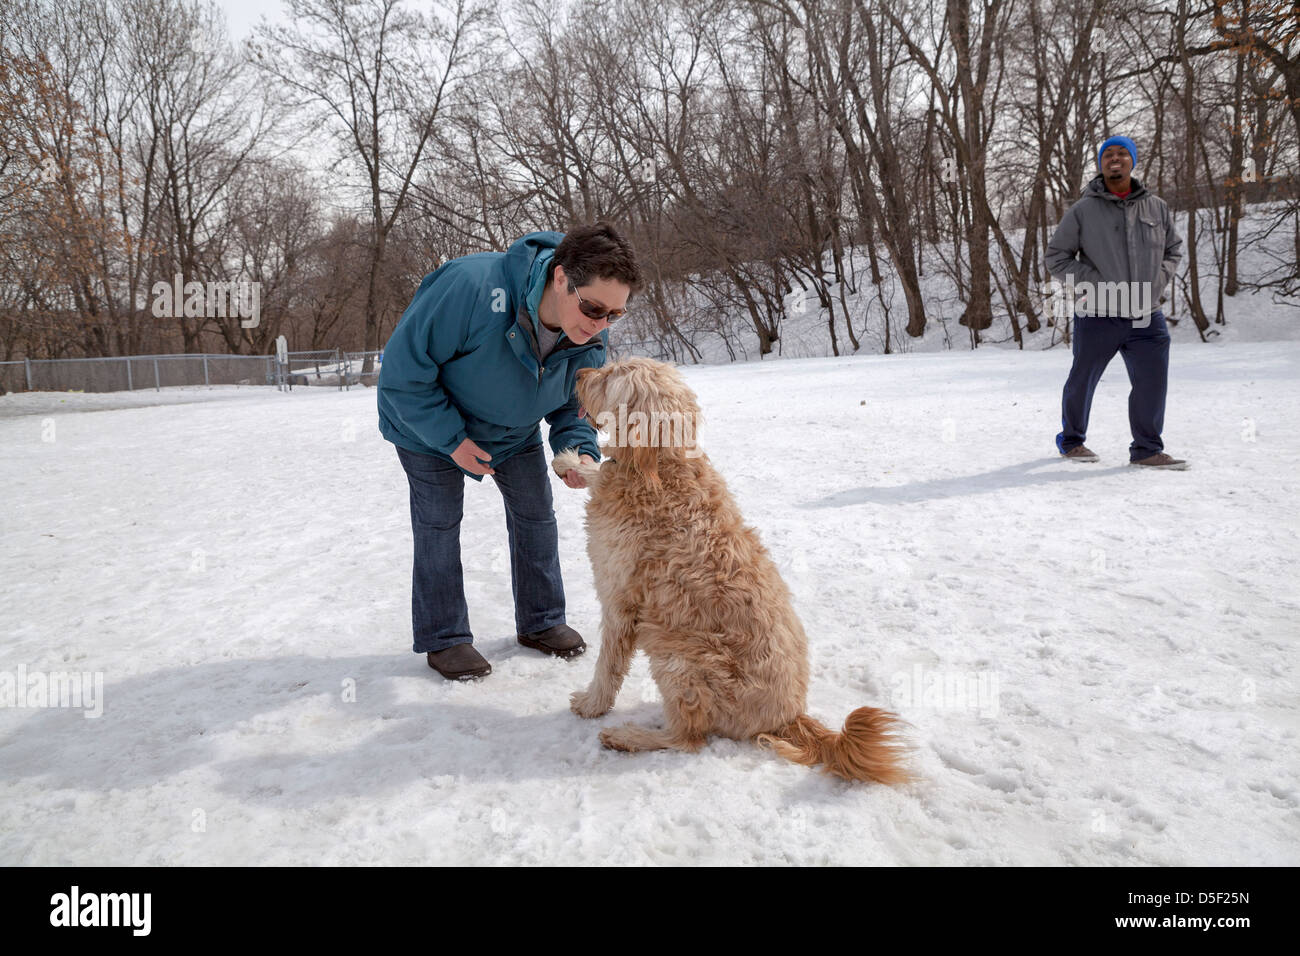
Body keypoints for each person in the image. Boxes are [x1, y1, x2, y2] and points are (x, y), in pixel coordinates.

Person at [378, 223, 643, 680]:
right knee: (439, 524)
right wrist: (453, 441)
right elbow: (403, 375)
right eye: (594, 308)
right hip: (427, 427)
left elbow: (574, 406)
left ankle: (541, 622)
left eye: (614, 316)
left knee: (536, 515)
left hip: (513, 431)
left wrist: (578, 452)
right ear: (561, 278)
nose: (601, 326)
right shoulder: (471, 287)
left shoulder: (589, 335)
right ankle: (446, 639)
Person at [1046, 135, 1188, 469]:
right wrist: (1098, 285)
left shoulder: (1157, 207)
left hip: (1145, 314)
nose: (1115, 158)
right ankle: (1072, 441)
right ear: (1101, 164)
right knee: (1083, 379)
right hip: (1098, 312)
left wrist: (1158, 281)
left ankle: (1147, 449)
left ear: (1132, 162)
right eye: (1108, 154)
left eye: (1122, 153)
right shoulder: (1082, 210)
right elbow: (1056, 258)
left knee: (1152, 382)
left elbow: (1173, 249)